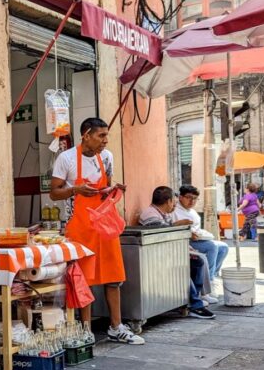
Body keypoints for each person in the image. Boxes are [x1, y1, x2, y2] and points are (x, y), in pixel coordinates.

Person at [49, 117, 144, 345]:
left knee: (113, 277)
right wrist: (75, 189)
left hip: (105, 225)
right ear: (86, 135)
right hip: (79, 227)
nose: (105, 141)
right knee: (86, 279)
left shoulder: (107, 157)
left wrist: (114, 189)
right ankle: (86, 330)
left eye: (106, 135)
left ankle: (116, 326)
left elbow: (105, 189)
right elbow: (54, 192)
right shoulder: (67, 158)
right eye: (101, 136)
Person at [137, 186, 215, 319]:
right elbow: (159, 233)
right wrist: (177, 225)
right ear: (168, 201)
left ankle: (193, 299)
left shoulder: (163, 214)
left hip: (166, 252)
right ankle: (195, 305)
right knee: (183, 266)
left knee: (198, 261)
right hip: (155, 256)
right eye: (173, 201)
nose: (174, 204)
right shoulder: (150, 214)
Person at [174, 185, 229, 297]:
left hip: (197, 239)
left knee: (223, 247)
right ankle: (207, 284)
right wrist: (188, 233)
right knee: (211, 246)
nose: (192, 201)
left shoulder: (192, 212)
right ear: (180, 197)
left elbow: (197, 228)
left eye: (195, 198)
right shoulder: (175, 210)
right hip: (183, 241)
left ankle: (212, 277)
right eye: (189, 197)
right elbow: (173, 228)